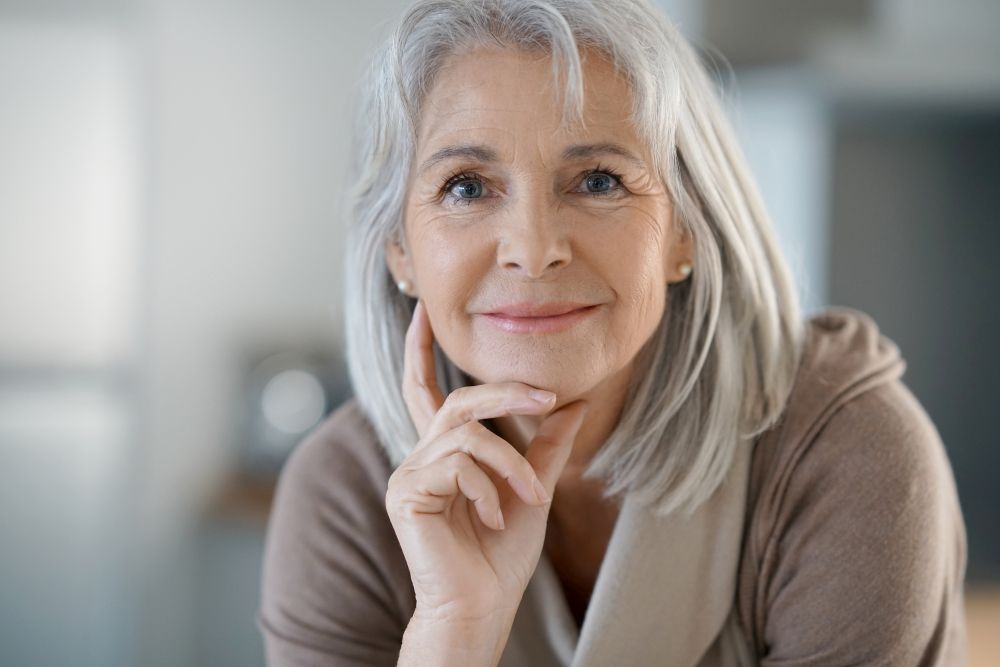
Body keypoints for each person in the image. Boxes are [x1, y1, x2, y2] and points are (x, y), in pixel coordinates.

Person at [256, 0, 968, 665]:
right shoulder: (344, 495)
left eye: (597, 180)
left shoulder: (843, 456)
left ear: (685, 232)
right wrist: (453, 626)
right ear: (400, 251)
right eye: (467, 186)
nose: (533, 250)